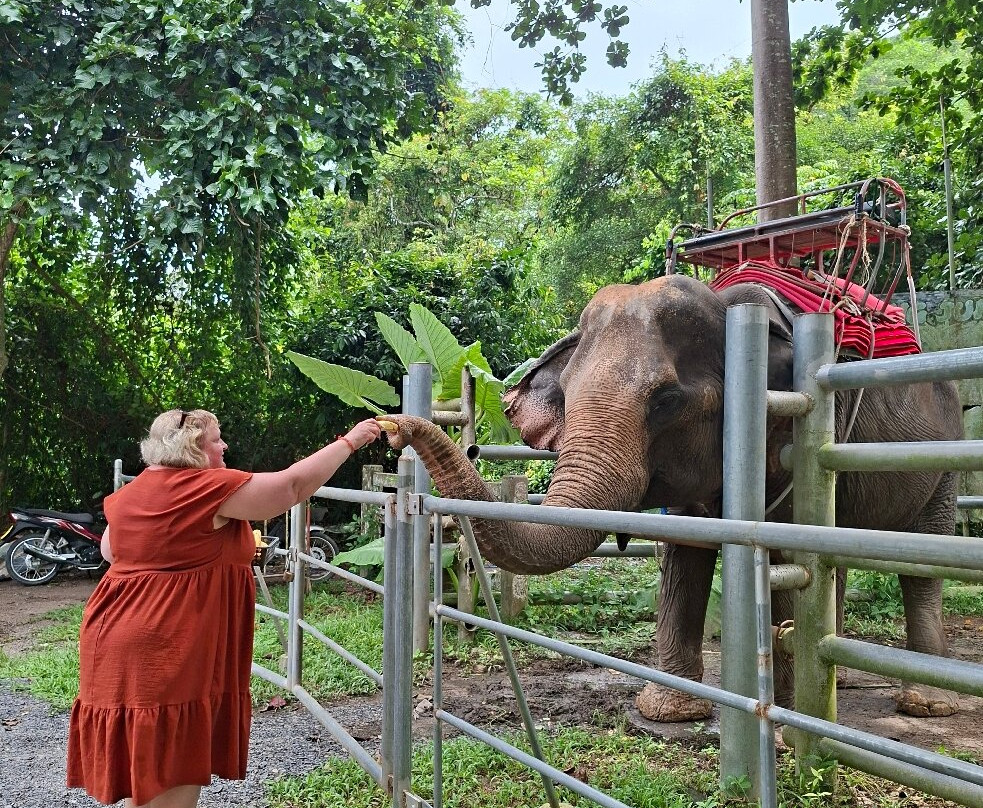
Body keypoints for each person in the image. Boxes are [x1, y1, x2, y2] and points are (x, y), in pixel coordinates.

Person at [67, 408, 381, 808]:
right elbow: (290, 488)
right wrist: (350, 441)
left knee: (147, 772)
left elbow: (111, 551)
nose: (225, 445)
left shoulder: (134, 491)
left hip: (113, 635)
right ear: (197, 447)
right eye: (218, 439)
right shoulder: (206, 488)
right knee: (173, 768)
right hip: (167, 644)